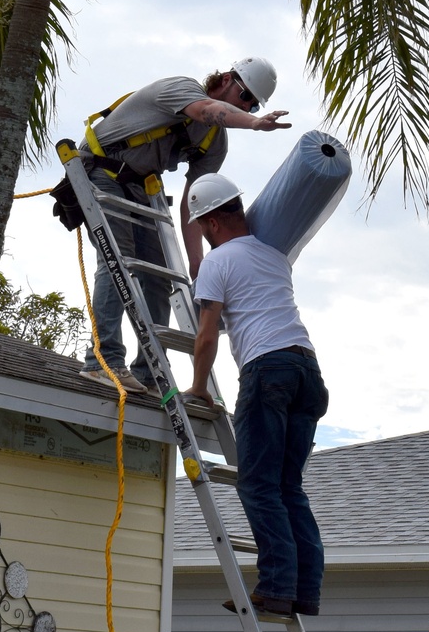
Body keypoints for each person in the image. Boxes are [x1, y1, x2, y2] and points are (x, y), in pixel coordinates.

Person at [78, 58, 291, 394]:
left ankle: (150, 371)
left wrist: (196, 264)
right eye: (245, 95)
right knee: (117, 260)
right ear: (224, 79)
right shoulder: (181, 89)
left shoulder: (214, 142)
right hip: (102, 169)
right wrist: (253, 123)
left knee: (159, 277)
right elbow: (206, 109)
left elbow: (196, 204)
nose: (247, 104)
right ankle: (103, 361)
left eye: (253, 103)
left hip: (141, 186)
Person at [182, 173, 329, 619]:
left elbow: (207, 335)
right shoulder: (273, 255)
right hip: (308, 371)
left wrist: (198, 386)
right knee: (289, 487)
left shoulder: (218, 261)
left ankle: (277, 587)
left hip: (268, 370)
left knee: (258, 485)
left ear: (210, 223)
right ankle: (305, 591)